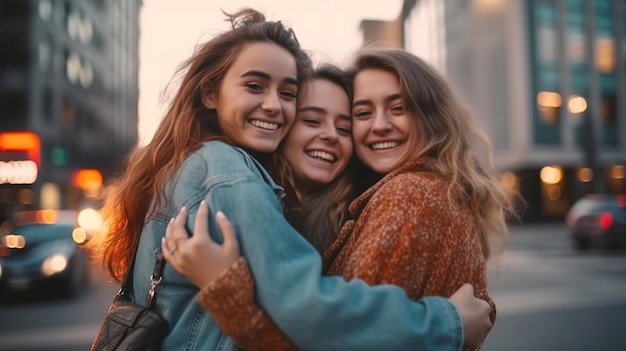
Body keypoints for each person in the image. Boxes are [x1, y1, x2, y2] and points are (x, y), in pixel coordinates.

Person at [87, 8, 491, 350]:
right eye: (254, 85)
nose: (273, 104)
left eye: (287, 92)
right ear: (211, 93)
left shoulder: (198, 168)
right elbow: (309, 307)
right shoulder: (228, 174)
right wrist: (446, 323)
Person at [162, 48, 519, 350]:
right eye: (363, 113)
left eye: (398, 107)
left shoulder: (409, 195)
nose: (378, 125)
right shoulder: (327, 210)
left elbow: (341, 336)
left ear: (431, 115)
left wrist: (224, 287)